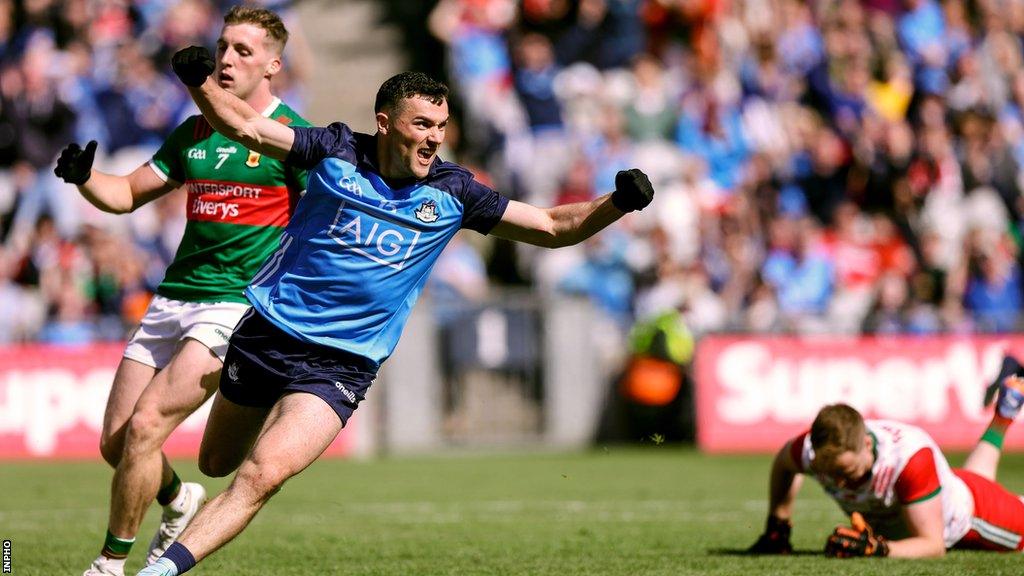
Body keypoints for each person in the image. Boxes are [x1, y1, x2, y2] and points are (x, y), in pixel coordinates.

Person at [134, 47, 655, 576]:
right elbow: (248, 127)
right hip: (268, 333)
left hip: (341, 364)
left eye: (443, 126)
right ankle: (185, 501)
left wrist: (616, 202)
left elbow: (550, 226)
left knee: (263, 474)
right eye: (422, 124)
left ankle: (160, 572)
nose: (434, 137)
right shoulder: (334, 149)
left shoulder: (455, 191)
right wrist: (200, 81)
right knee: (216, 463)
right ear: (385, 124)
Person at [52, 7, 311, 576]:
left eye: (243, 50)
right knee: (116, 444)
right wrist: (85, 178)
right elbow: (125, 194)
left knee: (147, 427)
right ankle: (178, 499)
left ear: (272, 65)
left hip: (233, 305)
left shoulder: (292, 138)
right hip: (172, 296)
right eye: (222, 46)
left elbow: (322, 219)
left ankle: (108, 564)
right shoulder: (193, 131)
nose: (226, 59)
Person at [748, 356, 1024, 558]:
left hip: (971, 514)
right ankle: (1006, 410)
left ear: (867, 445)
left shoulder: (908, 459)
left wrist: (877, 548)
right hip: (940, 490)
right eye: (829, 474)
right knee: (975, 480)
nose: (839, 484)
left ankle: (1007, 409)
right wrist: (778, 527)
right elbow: (784, 465)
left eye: (847, 473)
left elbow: (933, 545)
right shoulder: (813, 448)